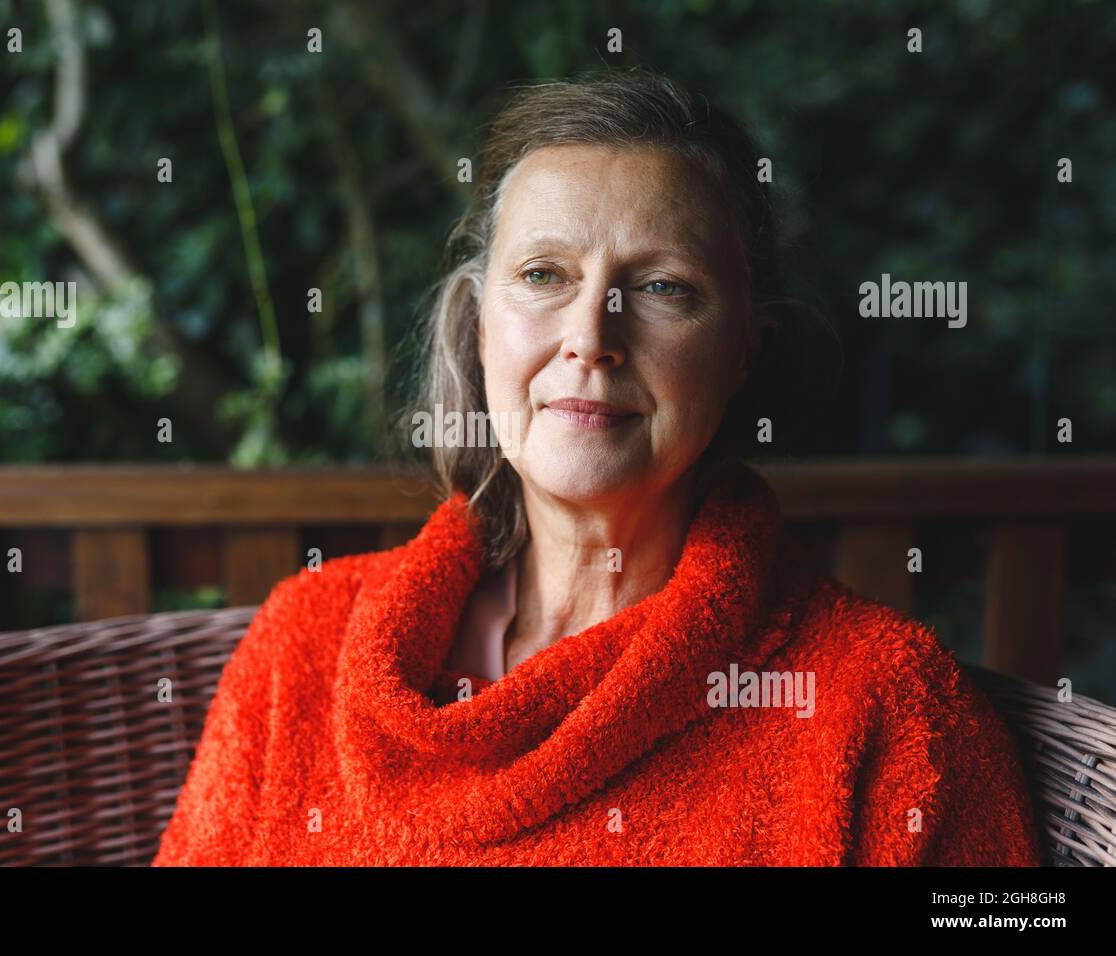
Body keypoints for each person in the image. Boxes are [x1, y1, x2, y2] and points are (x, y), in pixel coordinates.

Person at [152, 70, 1041, 866]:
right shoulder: (304, 643)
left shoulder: (881, 702)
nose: (590, 338)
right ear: (477, 322)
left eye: (664, 289)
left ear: (743, 351)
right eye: (543, 274)